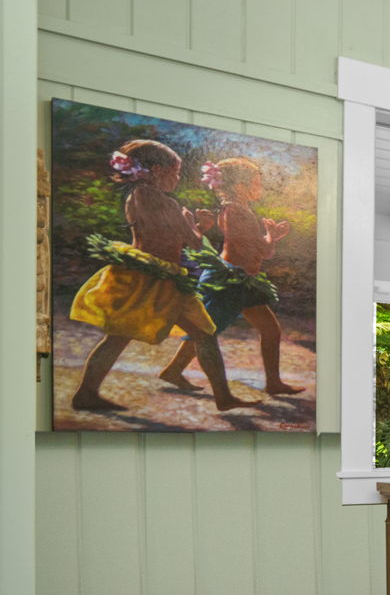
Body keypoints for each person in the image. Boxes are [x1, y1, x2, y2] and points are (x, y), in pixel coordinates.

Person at [68, 140, 255, 414]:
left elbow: (184, 239)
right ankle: (85, 394)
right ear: (156, 170)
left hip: (167, 279)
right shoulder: (154, 198)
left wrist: (193, 226)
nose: (177, 179)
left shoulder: (141, 195)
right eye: (175, 172)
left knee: (203, 333)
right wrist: (199, 226)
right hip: (149, 278)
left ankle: (224, 397)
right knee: (121, 336)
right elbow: (190, 241)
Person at [159, 156, 303, 395]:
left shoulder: (239, 210)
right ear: (239, 186)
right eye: (256, 183)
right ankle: (174, 370)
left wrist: (271, 237)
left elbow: (258, 248)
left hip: (242, 281)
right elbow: (260, 250)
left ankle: (274, 383)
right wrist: (271, 236)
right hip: (228, 281)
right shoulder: (236, 211)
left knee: (268, 330)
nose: (260, 188)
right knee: (206, 330)